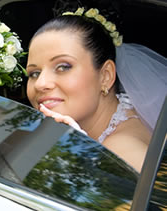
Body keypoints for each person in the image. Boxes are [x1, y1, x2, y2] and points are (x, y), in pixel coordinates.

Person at [26, 5, 167, 173]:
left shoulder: (121, 153)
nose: (41, 83)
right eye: (34, 73)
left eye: (63, 67)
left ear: (105, 76)